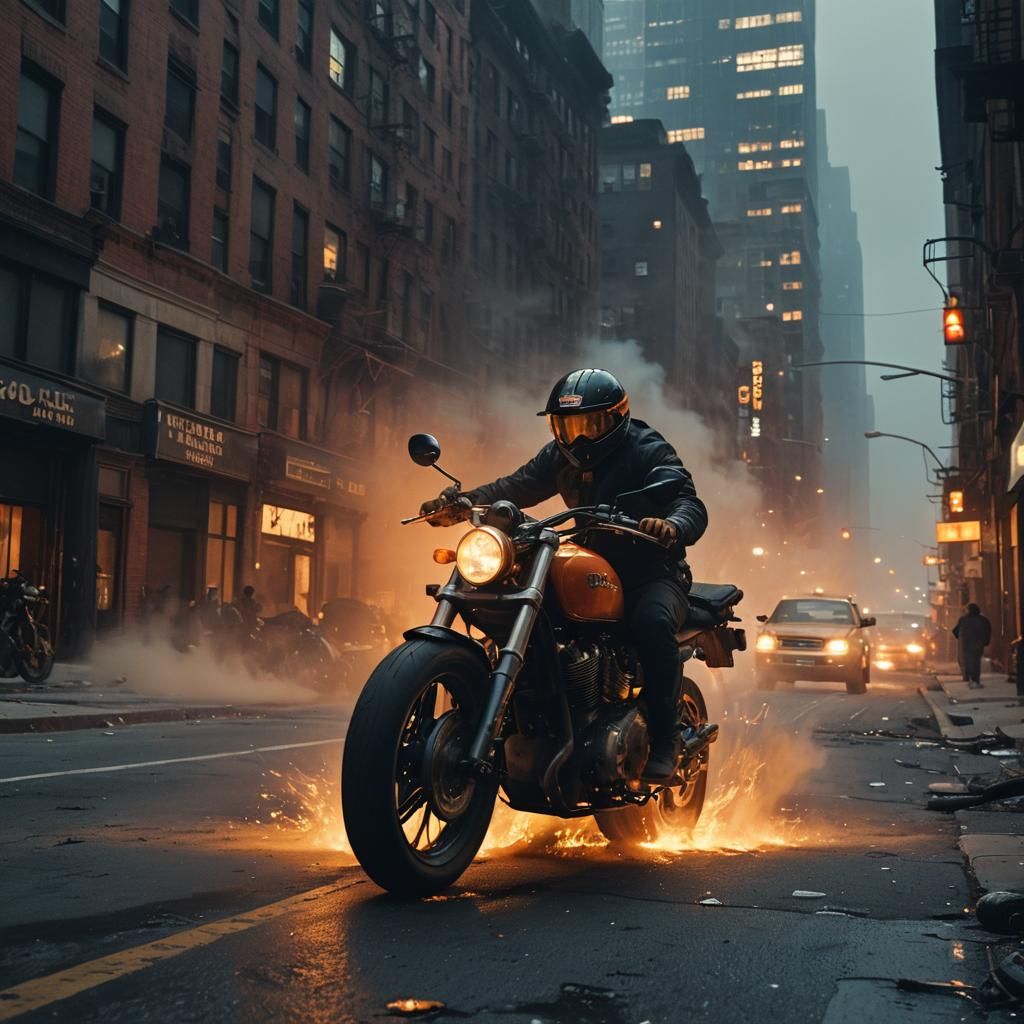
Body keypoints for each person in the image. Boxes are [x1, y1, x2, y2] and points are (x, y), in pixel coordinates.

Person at [419, 368, 708, 780]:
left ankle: (664, 740)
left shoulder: (647, 448)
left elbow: (687, 500)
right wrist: (464, 503)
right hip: (589, 564)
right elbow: (515, 486)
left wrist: (672, 525)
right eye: (567, 426)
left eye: (589, 424)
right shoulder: (559, 455)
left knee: (651, 624)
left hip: (650, 571)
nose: (579, 438)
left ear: (615, 418)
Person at [953, 603, 992, 689]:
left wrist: (959, 637)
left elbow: (955, 631)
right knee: (976, 662)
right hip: (979, 644)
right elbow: (988, 631)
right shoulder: (984, 620)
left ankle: (969, 678)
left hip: (967, 644)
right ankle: (976, 680)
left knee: (968, 661)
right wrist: (986, 642)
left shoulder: (963, 619)